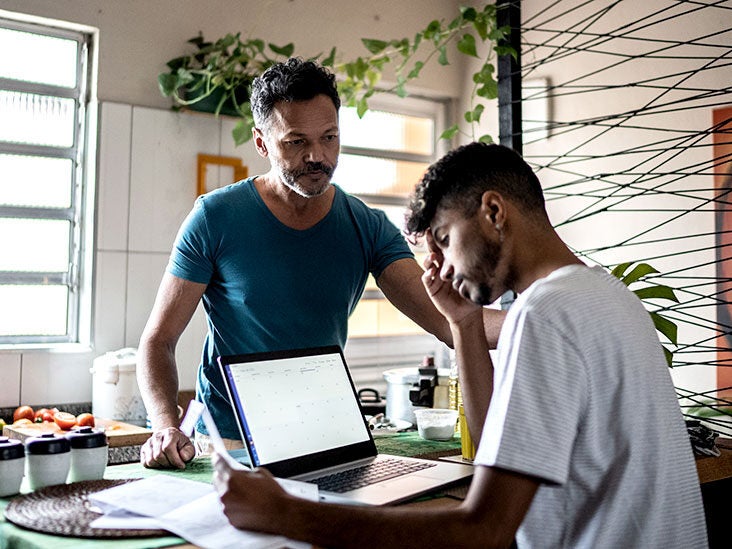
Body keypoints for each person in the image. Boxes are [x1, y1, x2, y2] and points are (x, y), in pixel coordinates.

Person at [212, 142, 708, 548]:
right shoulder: (607, 296)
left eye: (445, 240)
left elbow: (483, 530)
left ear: (493, 211)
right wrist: (466, 324)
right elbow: (499, 443)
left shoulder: (545, 315)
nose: (442, 267)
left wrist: (285, 514)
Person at [138, 58, 503, 469]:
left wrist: (544, 315)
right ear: (262, 143)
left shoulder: (365, 225)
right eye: (296, 142)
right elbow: (158, 341)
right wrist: (165, 425)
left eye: (329, 137)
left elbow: (451, 321)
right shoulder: (214, 218)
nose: (317, 155)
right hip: (230, 442)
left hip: (323, 436)